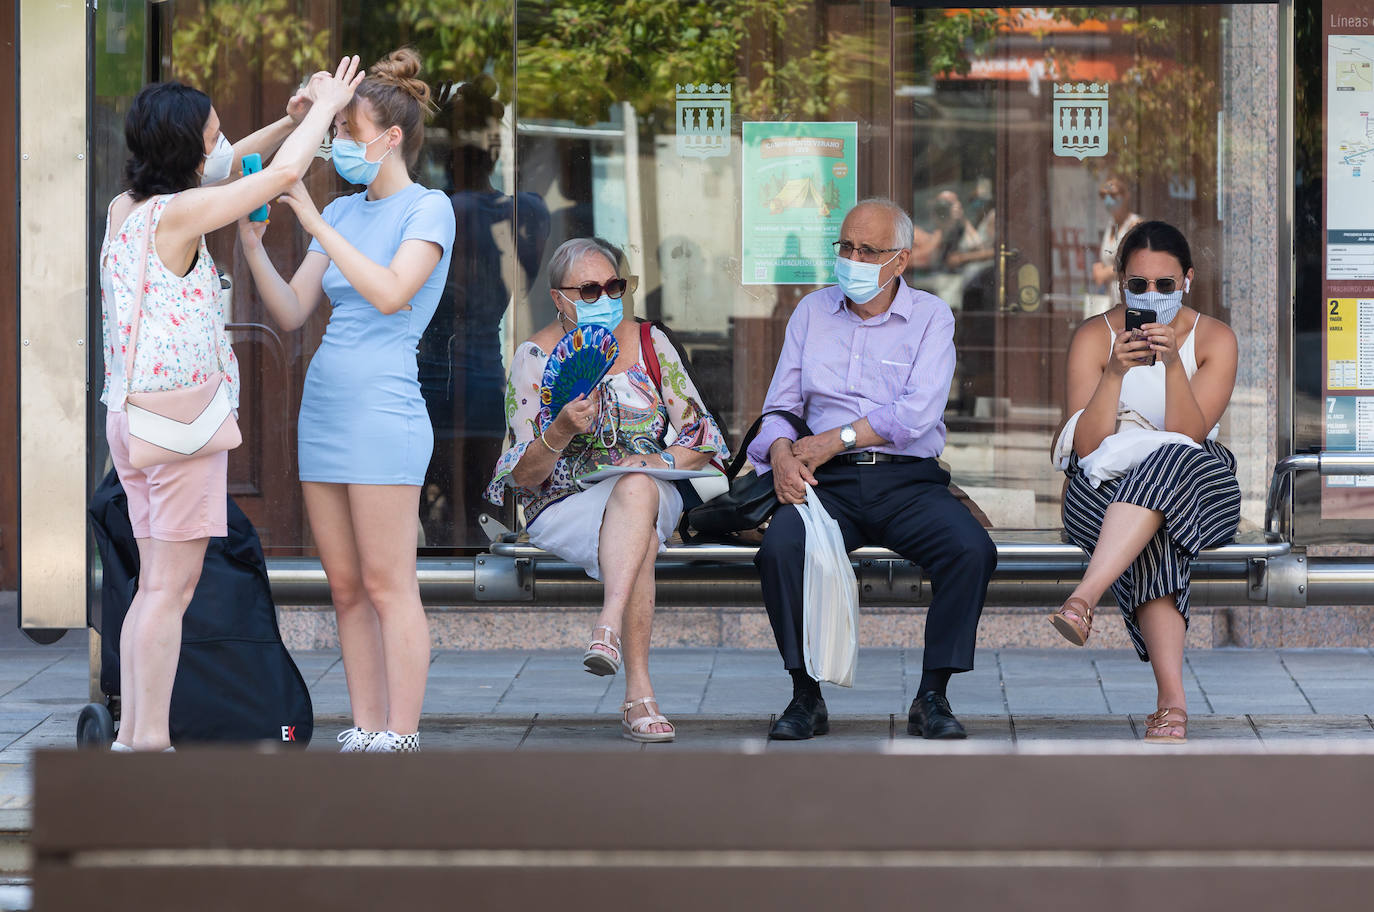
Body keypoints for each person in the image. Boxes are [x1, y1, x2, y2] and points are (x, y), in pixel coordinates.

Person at [101, 58, 364, 752]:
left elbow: (234, 164)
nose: (223, 144)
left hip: (131, 420)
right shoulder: (181, 214)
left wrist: (290, 115)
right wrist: (324, 108)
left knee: (151, 588)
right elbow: (275, 178)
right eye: (213, 135)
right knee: (169, 591)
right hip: (180, 425)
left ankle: (134, 737)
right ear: (186, 149)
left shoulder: (125, 210)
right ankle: (150, 742)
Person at [237, 48, 457, 753]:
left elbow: (392, 293)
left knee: (390, 584)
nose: (336, 148)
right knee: (345, 587)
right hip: (327, 405)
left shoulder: (431, 209)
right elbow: (294, 309)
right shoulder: (337, 208)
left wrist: (312, 218)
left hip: (384, 409)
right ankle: (364, 727)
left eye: (345, 132)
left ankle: (403, 732)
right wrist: (253, 243)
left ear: (390, 138)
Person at [750, 198, 997, 742]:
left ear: (901, 261)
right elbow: (778, 408)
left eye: (868, 250)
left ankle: (933, 694)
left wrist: (833, 439)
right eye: (846, 247)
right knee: (779, 550)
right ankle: (804, 694)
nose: (853, 259)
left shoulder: (931, 317)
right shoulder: (811, 312)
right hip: (826, 485)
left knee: (970, 550)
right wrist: (782, 453)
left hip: (907, 481)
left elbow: (916, 415)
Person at [486, 237, 728, 743]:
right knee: (634, 530)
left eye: (614, 285)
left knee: (636, 487)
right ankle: (637, 690)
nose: (606, 297)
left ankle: (608, 626)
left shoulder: (649, 342)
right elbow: (523, 476)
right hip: (567, 501)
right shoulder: (535, 356)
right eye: (590, 289)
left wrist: (652, 460)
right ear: (559, 298)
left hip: (655, 486)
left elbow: (702, 438)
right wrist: (560, 431)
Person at [1051, 220, 1240, 744]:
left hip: (1194, 478)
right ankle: (1172, 706)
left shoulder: (1215, 338)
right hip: (1102, 483)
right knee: (1154, 525)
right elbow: (1087, 447)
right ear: (1120, 284)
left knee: (1165, 468)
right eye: (1138, 285)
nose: (1152, 295)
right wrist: (1114, 374)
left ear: (1187, 281)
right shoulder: (1095, 336)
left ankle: (1083, 599)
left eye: (1165, 284)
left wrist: (1173, 363)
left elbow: (1188, 436)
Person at [1088, 175, 1142, 313]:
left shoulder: (1135, 224)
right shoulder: (1110, 225)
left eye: (1112, 195)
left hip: (1129, 298)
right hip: (1109, 297)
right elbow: (1107, 258)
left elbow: (1133, 262)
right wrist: (1098, 267)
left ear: (1125, 196)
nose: (1108, 200)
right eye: (1104, 196)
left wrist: (1105, 273)